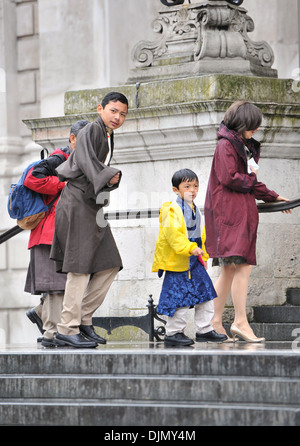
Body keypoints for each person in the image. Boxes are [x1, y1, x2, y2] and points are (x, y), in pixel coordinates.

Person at [204, 101, 291, 343]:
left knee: (231, 268)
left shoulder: (238, 145)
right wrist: (265, 191)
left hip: (235, 213)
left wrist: (271, 195)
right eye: (253, 126)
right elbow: (231, 178)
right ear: (242, 124)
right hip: (230, 214)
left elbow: (245, 179)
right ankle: (239, 321)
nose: (256, 130)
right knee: (240, 267)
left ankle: (214, 322)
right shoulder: (226, 146)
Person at [50, 92, 128, 348]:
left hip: (91, 206)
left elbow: (96, 170)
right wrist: (109, 174)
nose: (118, 117)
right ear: (100, 108)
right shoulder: (91, 130)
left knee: (110, 263)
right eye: (114, 111)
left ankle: (83, 319)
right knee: (80, 267)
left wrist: (109, 179)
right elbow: (85, 161)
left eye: (123, 114)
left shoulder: (106, 133)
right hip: (77, 204)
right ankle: (67, 328)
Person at [24, 120, 90, 347]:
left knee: (65, 283)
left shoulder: (81, 162)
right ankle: (51, 334)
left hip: (65, 231)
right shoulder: (58, 159)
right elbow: (31, 178)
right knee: (55, 285)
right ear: (72, 139)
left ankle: (41, 314)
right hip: (48, 232)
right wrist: (65, 185)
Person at [152, 168, 227, 346]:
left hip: (194, 259)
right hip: (179, 261)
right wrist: (190, 248)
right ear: (175, 190)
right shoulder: (171, 210)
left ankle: (205, 329)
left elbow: (202, 236)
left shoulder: (196, 210)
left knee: (206, 294)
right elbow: (173, 236)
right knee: (180, 298)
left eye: (195, 186)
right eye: (187, 186)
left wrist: (203, 255)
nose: (192, 190)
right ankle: (173, 332)